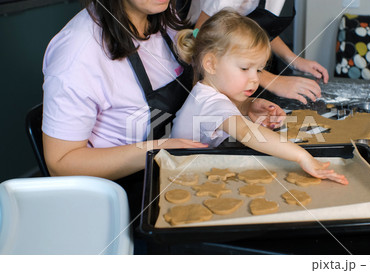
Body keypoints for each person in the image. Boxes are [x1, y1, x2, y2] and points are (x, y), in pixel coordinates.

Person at [41, 0, 286, 220]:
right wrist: (156, 149)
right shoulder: (77, 53)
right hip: (126, 198)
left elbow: (199, 91)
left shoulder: (161, 17)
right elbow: (61, 164)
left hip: (175, 170)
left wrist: (241, 106)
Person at [172, 9, 348, 184]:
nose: (255, 79)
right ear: (211, 64)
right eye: (244, 69)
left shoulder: (207, 92)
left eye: (258, 70)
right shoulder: (210, 102)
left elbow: (223, 111)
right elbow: (247, 132)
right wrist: (302, 157)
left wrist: (248, 106)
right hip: (179, 177)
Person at [185, 0, 330, 104]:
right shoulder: (210, 101)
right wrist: (271, 80)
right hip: (204, 71)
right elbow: (202, 38)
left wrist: (294, 60)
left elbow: (253, 31)